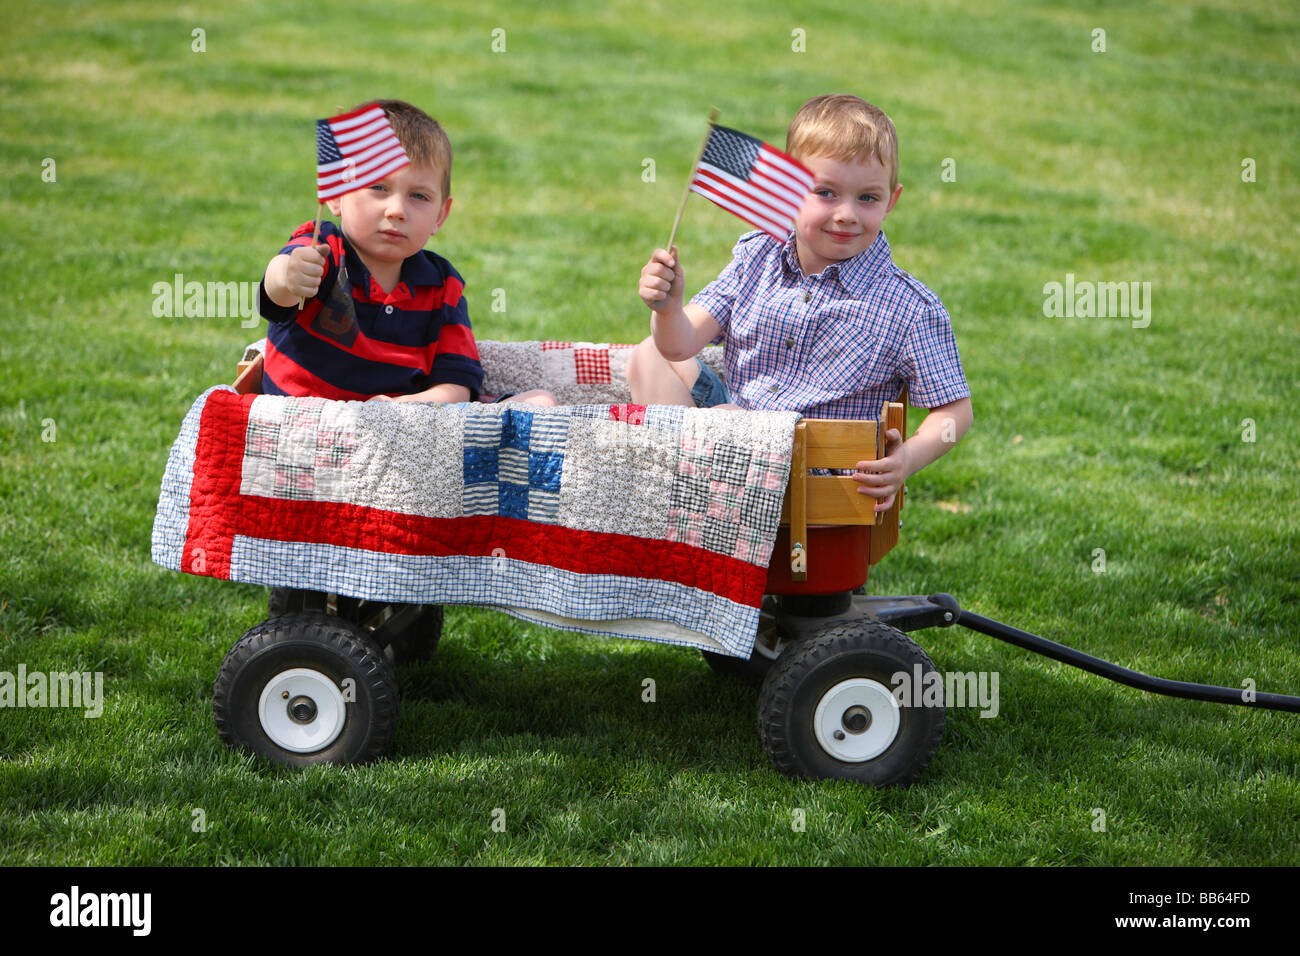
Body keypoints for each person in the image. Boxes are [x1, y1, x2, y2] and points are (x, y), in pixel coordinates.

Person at [629, 94, 972, 512]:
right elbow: (679, 345)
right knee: (649, 355)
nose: (846, 214)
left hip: (811, 470)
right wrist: (667, 309)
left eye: (867, 198)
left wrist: (907, 459)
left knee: (725, 421)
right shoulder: (757, 257)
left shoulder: (907, 307)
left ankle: (678, 488)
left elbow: (956, 409)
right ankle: (684, 482)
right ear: (789, 193)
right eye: (826, 192)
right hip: (732, 422)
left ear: (891, 201)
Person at [259, 99, 555, 406]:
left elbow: (456, 386)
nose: (397, 210)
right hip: (314, 426)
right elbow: (277, 292)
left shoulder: (441, 285)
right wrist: (289, 275)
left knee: (541, 403)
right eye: (378, 187)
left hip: (410, 430)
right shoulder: (321, 250)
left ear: (441, 214)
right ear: (336, 196)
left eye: (419, 196)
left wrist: (397, 412)